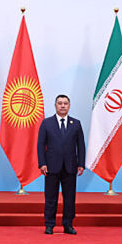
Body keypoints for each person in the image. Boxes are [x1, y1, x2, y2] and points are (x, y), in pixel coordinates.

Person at [37, 94, 85, 235]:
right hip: (51, 166)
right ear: (55, 105)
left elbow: (80, 145)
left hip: (70, 167)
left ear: (69, 106)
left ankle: (68, 225)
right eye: (60, 103)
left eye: (65, 103)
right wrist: (42, 163)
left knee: (70, 198)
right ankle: (49, 224)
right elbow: (41, 145)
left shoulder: (76, 123)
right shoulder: (47, 123)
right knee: (51, 197)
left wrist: (81, 163)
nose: (63, 106)